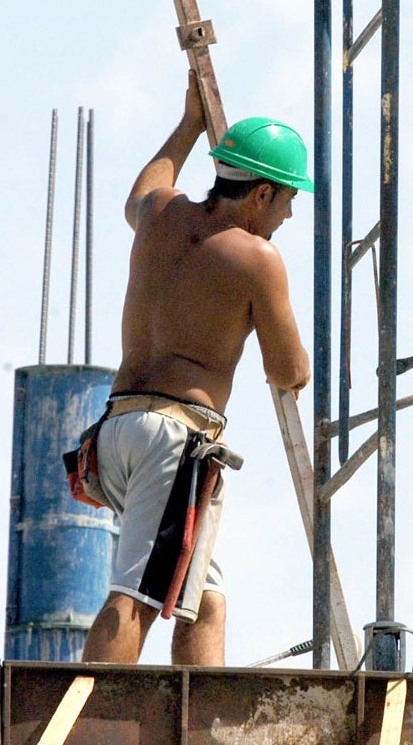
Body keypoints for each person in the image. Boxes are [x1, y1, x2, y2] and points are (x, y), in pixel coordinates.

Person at [81, 71, 311, 666]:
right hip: (172, 436)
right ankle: (84, 725)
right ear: (261, 194)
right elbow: (290, 372)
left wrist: (187, 124)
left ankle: (201, 725)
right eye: (287, 199)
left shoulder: (159, 216)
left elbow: (144, 188)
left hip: (116, 428)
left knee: (205, 597)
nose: (288, 215)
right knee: (133, 597)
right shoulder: (257, 259)